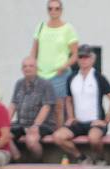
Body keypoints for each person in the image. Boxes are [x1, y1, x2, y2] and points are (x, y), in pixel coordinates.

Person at [51, 47, 110, 165]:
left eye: (86, 57)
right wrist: (71, 117)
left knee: (94, 138)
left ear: (92, 59)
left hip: (95, 122)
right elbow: (68, 99)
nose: (83, 60)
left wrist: (106, 120)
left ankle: (101, 158)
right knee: (58, 137)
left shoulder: (99, 77)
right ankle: (81, 157)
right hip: (78, 123)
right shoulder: (72, 78)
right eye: (81, 57)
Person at [30, 0, 79, 128]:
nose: (53, 11)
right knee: (39, 106)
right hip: (40, 74)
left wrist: (64, 66)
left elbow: (75, 54)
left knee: (58, 106)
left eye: (57, 8)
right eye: (50, 8)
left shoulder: (68, 28)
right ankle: (40, 133)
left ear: (61, 10)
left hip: (59, 74)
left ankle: (59, 133)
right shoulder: (40, 26)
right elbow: (34, 50)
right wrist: (31, 66)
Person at [8, 56, 57, 161]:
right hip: (21, 124)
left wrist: (35, 125)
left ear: (36, 68)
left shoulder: (46, 84)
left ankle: (38, 163)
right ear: (22, 69)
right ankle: (18, 159)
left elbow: (46, 107)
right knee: (4, 135)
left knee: (31, 140)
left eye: (31, 66)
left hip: (44, 124)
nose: (27, 68)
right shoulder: (19, 84)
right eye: (25, 66)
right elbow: (13, 104)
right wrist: (5, 123)